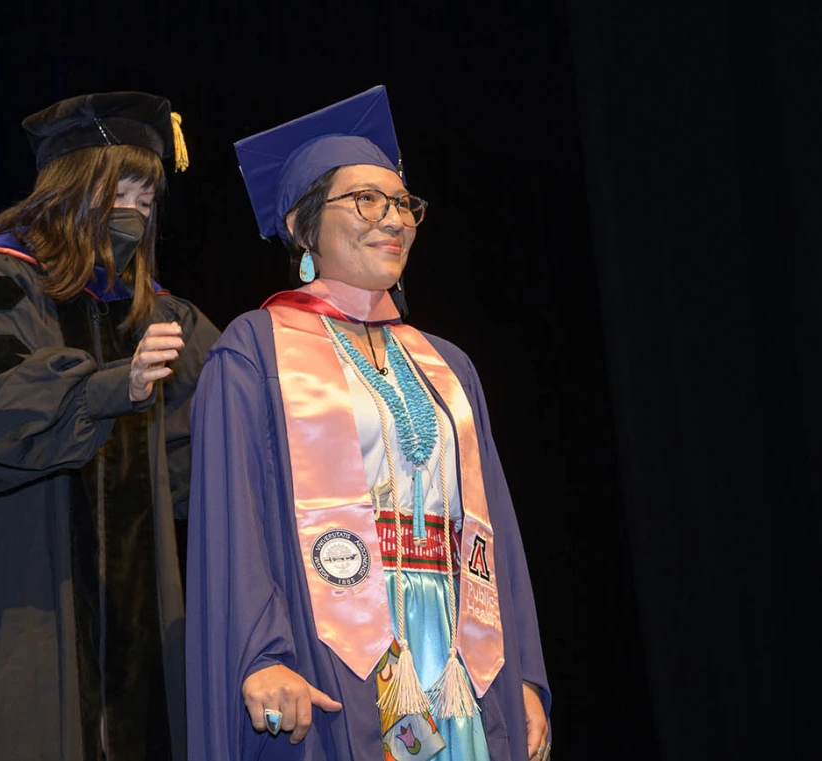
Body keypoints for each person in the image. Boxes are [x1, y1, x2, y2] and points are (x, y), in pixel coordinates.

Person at [186, 85, 552, 761]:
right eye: (365, 201)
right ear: (302, 226)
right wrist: (262, 652)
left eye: (403, 204)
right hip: (336, 641)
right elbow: (234, 521)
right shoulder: (254, 350)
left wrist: (526, 671)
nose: (393, 219)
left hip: (457, 655)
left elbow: (494, 527)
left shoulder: (448, 365)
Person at [0, 91, 220, 761]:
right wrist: (99, 389)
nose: (136, 210)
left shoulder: (163, 319)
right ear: (71, 189)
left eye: (149, 199)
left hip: (137, 636)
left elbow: (214, 451)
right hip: (17, 622)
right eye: (121, 187)